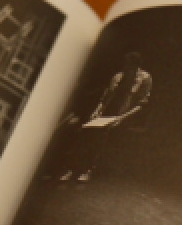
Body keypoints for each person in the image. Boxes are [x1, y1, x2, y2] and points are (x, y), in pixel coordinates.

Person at [55, 52, 152, 182]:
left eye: (130, 67)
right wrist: (97, 111)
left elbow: (140, 105)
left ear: (136, 67)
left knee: (102, 139)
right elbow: (105, 97)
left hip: (125, 116)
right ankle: (71, 169)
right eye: (125, 66)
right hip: (107, 113)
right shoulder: (118, 76)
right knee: (86, 133)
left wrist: (122, 118)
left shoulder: (145, 79)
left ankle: (89, 170)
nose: (126, 70)